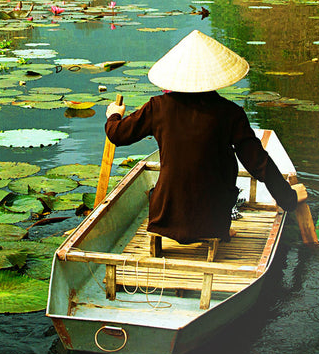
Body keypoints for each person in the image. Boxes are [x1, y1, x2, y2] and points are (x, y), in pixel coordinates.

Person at [104, 30, 301, 245]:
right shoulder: (231, 113)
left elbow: (117, 134)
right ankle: (221, 227)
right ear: (215, 78)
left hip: (166, 216)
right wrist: (288, 199)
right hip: (213, 219)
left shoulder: (157, 108)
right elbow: (258, 163)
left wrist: (114, 114)